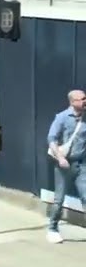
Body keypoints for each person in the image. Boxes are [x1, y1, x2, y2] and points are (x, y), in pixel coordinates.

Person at [46, 89, 86, 244]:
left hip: (81, 164)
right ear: (72, 102)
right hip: (63, 164)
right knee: (59, 199)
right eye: (82, 99)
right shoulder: (62, 118)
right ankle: (53, 228)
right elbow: (51, 138)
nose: (85, 101)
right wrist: (60, 157)